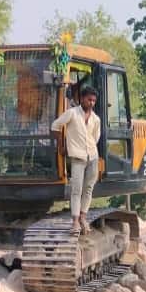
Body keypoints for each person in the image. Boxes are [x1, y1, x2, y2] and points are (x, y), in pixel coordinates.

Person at [50, 85, 101, 234]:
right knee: (76, 189)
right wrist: (61, 145)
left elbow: (95, 138)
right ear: (82, 99)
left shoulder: (96, 119)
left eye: (93, 101)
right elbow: (55, 126)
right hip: (77, 157)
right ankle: (75, 222)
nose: (91, 103)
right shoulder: (72, 113)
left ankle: (83, 218)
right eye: (89, 99)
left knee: (88, 189)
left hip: (92, 156)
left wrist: (90, 150)